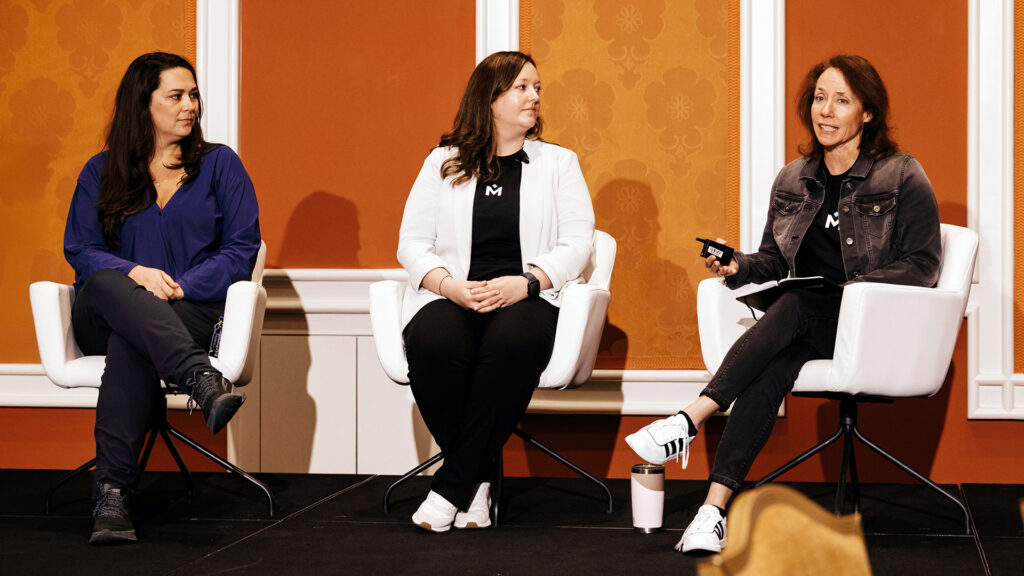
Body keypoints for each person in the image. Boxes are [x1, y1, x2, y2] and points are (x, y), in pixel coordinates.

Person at [626, 54, 941, 554]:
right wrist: (736, 265)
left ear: (867, 112)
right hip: (806, 323)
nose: (826, 111)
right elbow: (773, 260)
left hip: (869, 325)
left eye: (842, 100)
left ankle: (689, 418)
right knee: (772, 365)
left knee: (794, 304)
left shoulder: (900, 173)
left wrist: (856, 289)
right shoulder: (794, 178)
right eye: (819, 98)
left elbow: (924, 264)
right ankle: (712, 512)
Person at [64, 52, 261, 545]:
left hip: (189, 311)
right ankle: (200, 379)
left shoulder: (220, 165)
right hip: (104, 312)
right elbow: (81, 250)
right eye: (175, 96)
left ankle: (112, 495)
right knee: (108, 282)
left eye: (193, 95)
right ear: (143, 104)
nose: (189, 105)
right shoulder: (100, 171)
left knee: (132, 341)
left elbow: (241, 250)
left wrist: (179, 286)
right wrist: (136, 275)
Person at [397, 51, 595, 532]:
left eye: (537, 88)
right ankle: (478, 480)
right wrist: (451, 287)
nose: (534, 97)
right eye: (522, 87)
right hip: (454, 294)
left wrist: (527, 282)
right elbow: (412, 243)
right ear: (489, 98)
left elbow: (578, 242)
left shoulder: (559, 163)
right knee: (433, 341)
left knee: (511, 341)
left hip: (527, 296)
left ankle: (452, 485)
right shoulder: (442, 162)